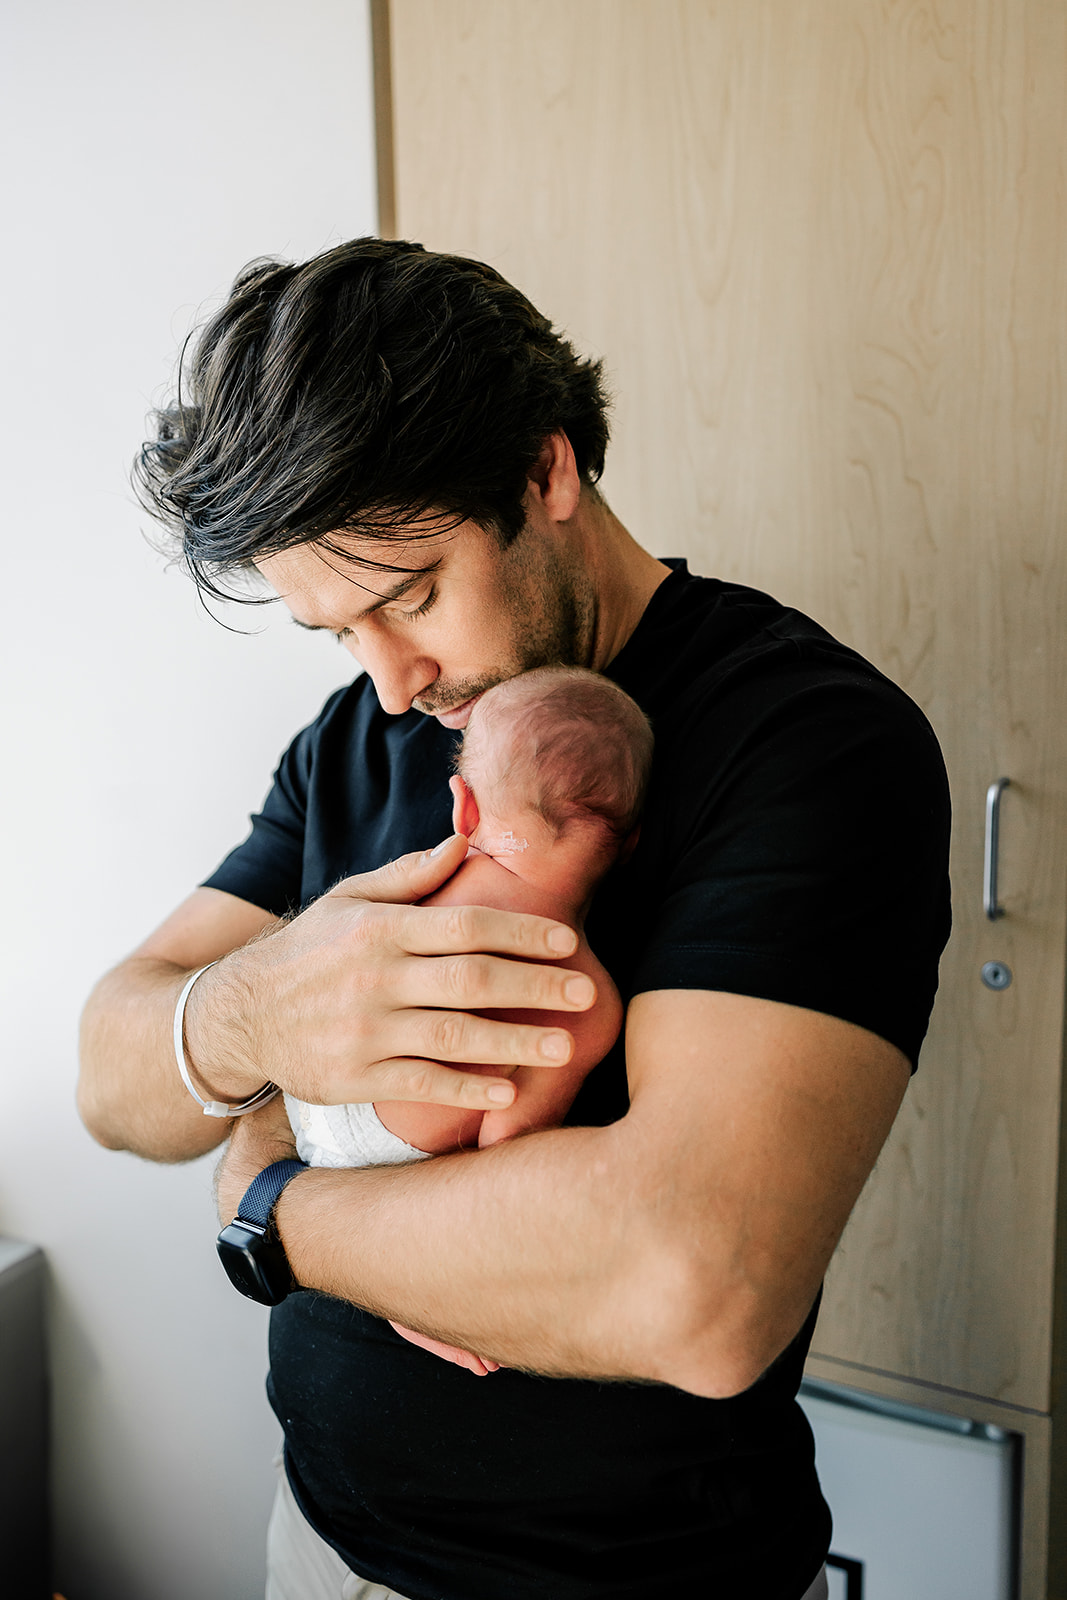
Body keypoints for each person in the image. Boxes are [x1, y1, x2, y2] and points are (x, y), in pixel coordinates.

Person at [78, 237, 951, 1600]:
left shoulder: (805, 742)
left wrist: (266, 1207)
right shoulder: (353, 742)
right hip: (317, 1542)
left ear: (544, 472)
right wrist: (255, 1008)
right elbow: (113, 1074)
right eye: (335, 633)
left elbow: (694, 1288)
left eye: (409, 594)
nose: (387, 681)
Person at [287, 664, 651, 1377]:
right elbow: (502, 1154)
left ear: (465, 812)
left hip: (311, 1091)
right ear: (632, 843)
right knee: (425, 1253)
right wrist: (417, 1280)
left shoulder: (417, 885)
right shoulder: (584, 998)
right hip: (383, 1161)